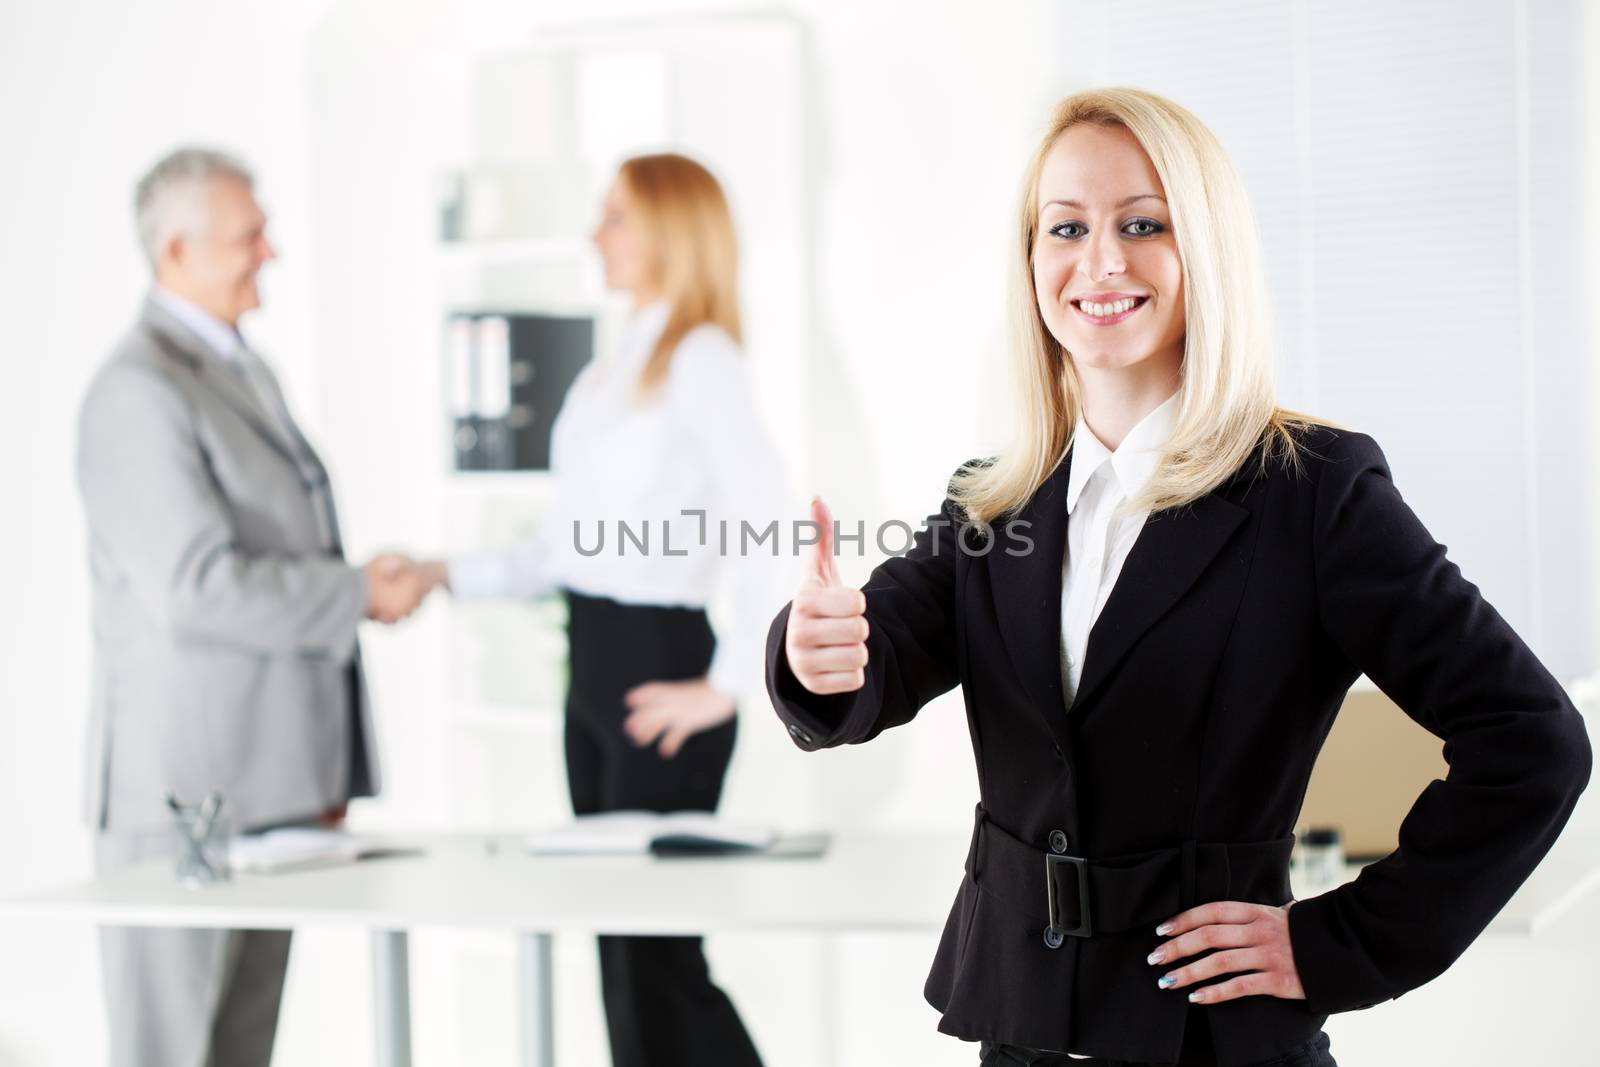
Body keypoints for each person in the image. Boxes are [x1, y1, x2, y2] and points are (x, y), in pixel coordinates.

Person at [765, 88, 1593, 1067]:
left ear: (1204, 248)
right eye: (1065, 226)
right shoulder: (994, 499)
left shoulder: (1311, 491)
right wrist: (815, 649)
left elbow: (1531, 739)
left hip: (1208, 1037)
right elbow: (878, 659)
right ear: (1031, 262)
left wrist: (1337, 944)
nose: (1100, 260)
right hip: (1021, 1028)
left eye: (1142, 224)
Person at [414, 153, 788, 1067]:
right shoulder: (617, 366)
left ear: (669, 229)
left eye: (615, 216)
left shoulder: (701, 360)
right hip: (591, 668)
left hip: (656, 663)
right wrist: (441, 574)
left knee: (655, 957)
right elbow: (565, 547)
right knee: (619, 950)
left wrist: (727, 685)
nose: (596, 236)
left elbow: (773, 523)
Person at [76, 147, 429, 1067]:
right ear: (180, 250)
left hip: (265, 789)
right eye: (249, 235)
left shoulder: (239, 368)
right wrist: (355, 592)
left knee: (236, 1051)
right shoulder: (138, 390)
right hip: (186, 794)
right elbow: (196, 589)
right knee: (173, 1050)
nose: (268, 251)